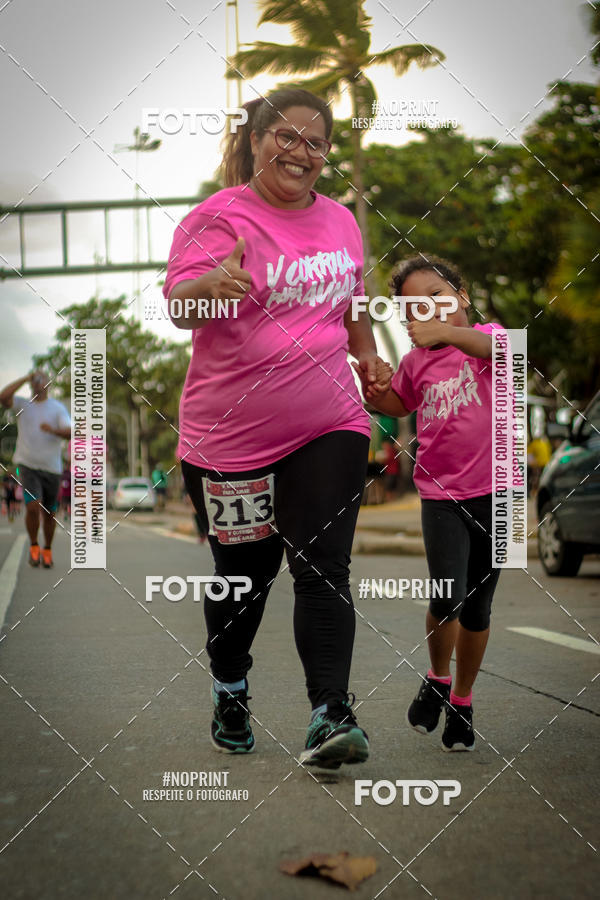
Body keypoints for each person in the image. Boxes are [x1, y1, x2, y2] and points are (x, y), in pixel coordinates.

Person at [164, 87, 392, 768]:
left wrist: (371, 355)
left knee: (323, 565)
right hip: (228, 436)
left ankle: (330, 714)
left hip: (330, 420)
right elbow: (178, 308)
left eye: (315, 142)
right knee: (245, 576)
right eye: (285, 137)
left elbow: (354, 309)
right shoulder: (216, 219)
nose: (300, 151)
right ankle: (230, 686)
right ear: (256, 140)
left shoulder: (343, 222)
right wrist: (209, 288)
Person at [355, 255, 503, 751]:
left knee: (479, 608)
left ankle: (462, 701)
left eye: (437, 294)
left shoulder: (485, 339)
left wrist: (446, 333)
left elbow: (506, 349)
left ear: (460, 295)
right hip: (441, 494)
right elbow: (396, 402)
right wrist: (373, 387)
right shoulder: (417, 363)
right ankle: (438, 676)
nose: (430, 307)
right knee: (447, 596)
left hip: (498, 494)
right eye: (415, 306)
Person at [0, 371, 71, 568]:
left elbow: (71, 432)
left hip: (52, 469)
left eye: (41, 379)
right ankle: (33, 546)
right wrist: (24, 378)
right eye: (35, 380)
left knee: (49, 513)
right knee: (32, 507)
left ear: (48, 383)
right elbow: (3, 397)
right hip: (27, 465)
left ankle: (47, 548)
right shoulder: (23, 405)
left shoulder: (57, 409)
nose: (38, 383)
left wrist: (53, 430)